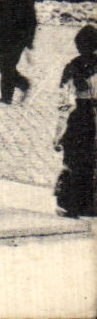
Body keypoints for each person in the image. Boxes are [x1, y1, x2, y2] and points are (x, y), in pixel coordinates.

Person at [54, 24, 97, 218]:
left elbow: (64, 103)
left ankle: (70, 203)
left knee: (75, 160)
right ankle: (90, 204)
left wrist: (58, 134)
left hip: (80, 117)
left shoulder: (71, 67)